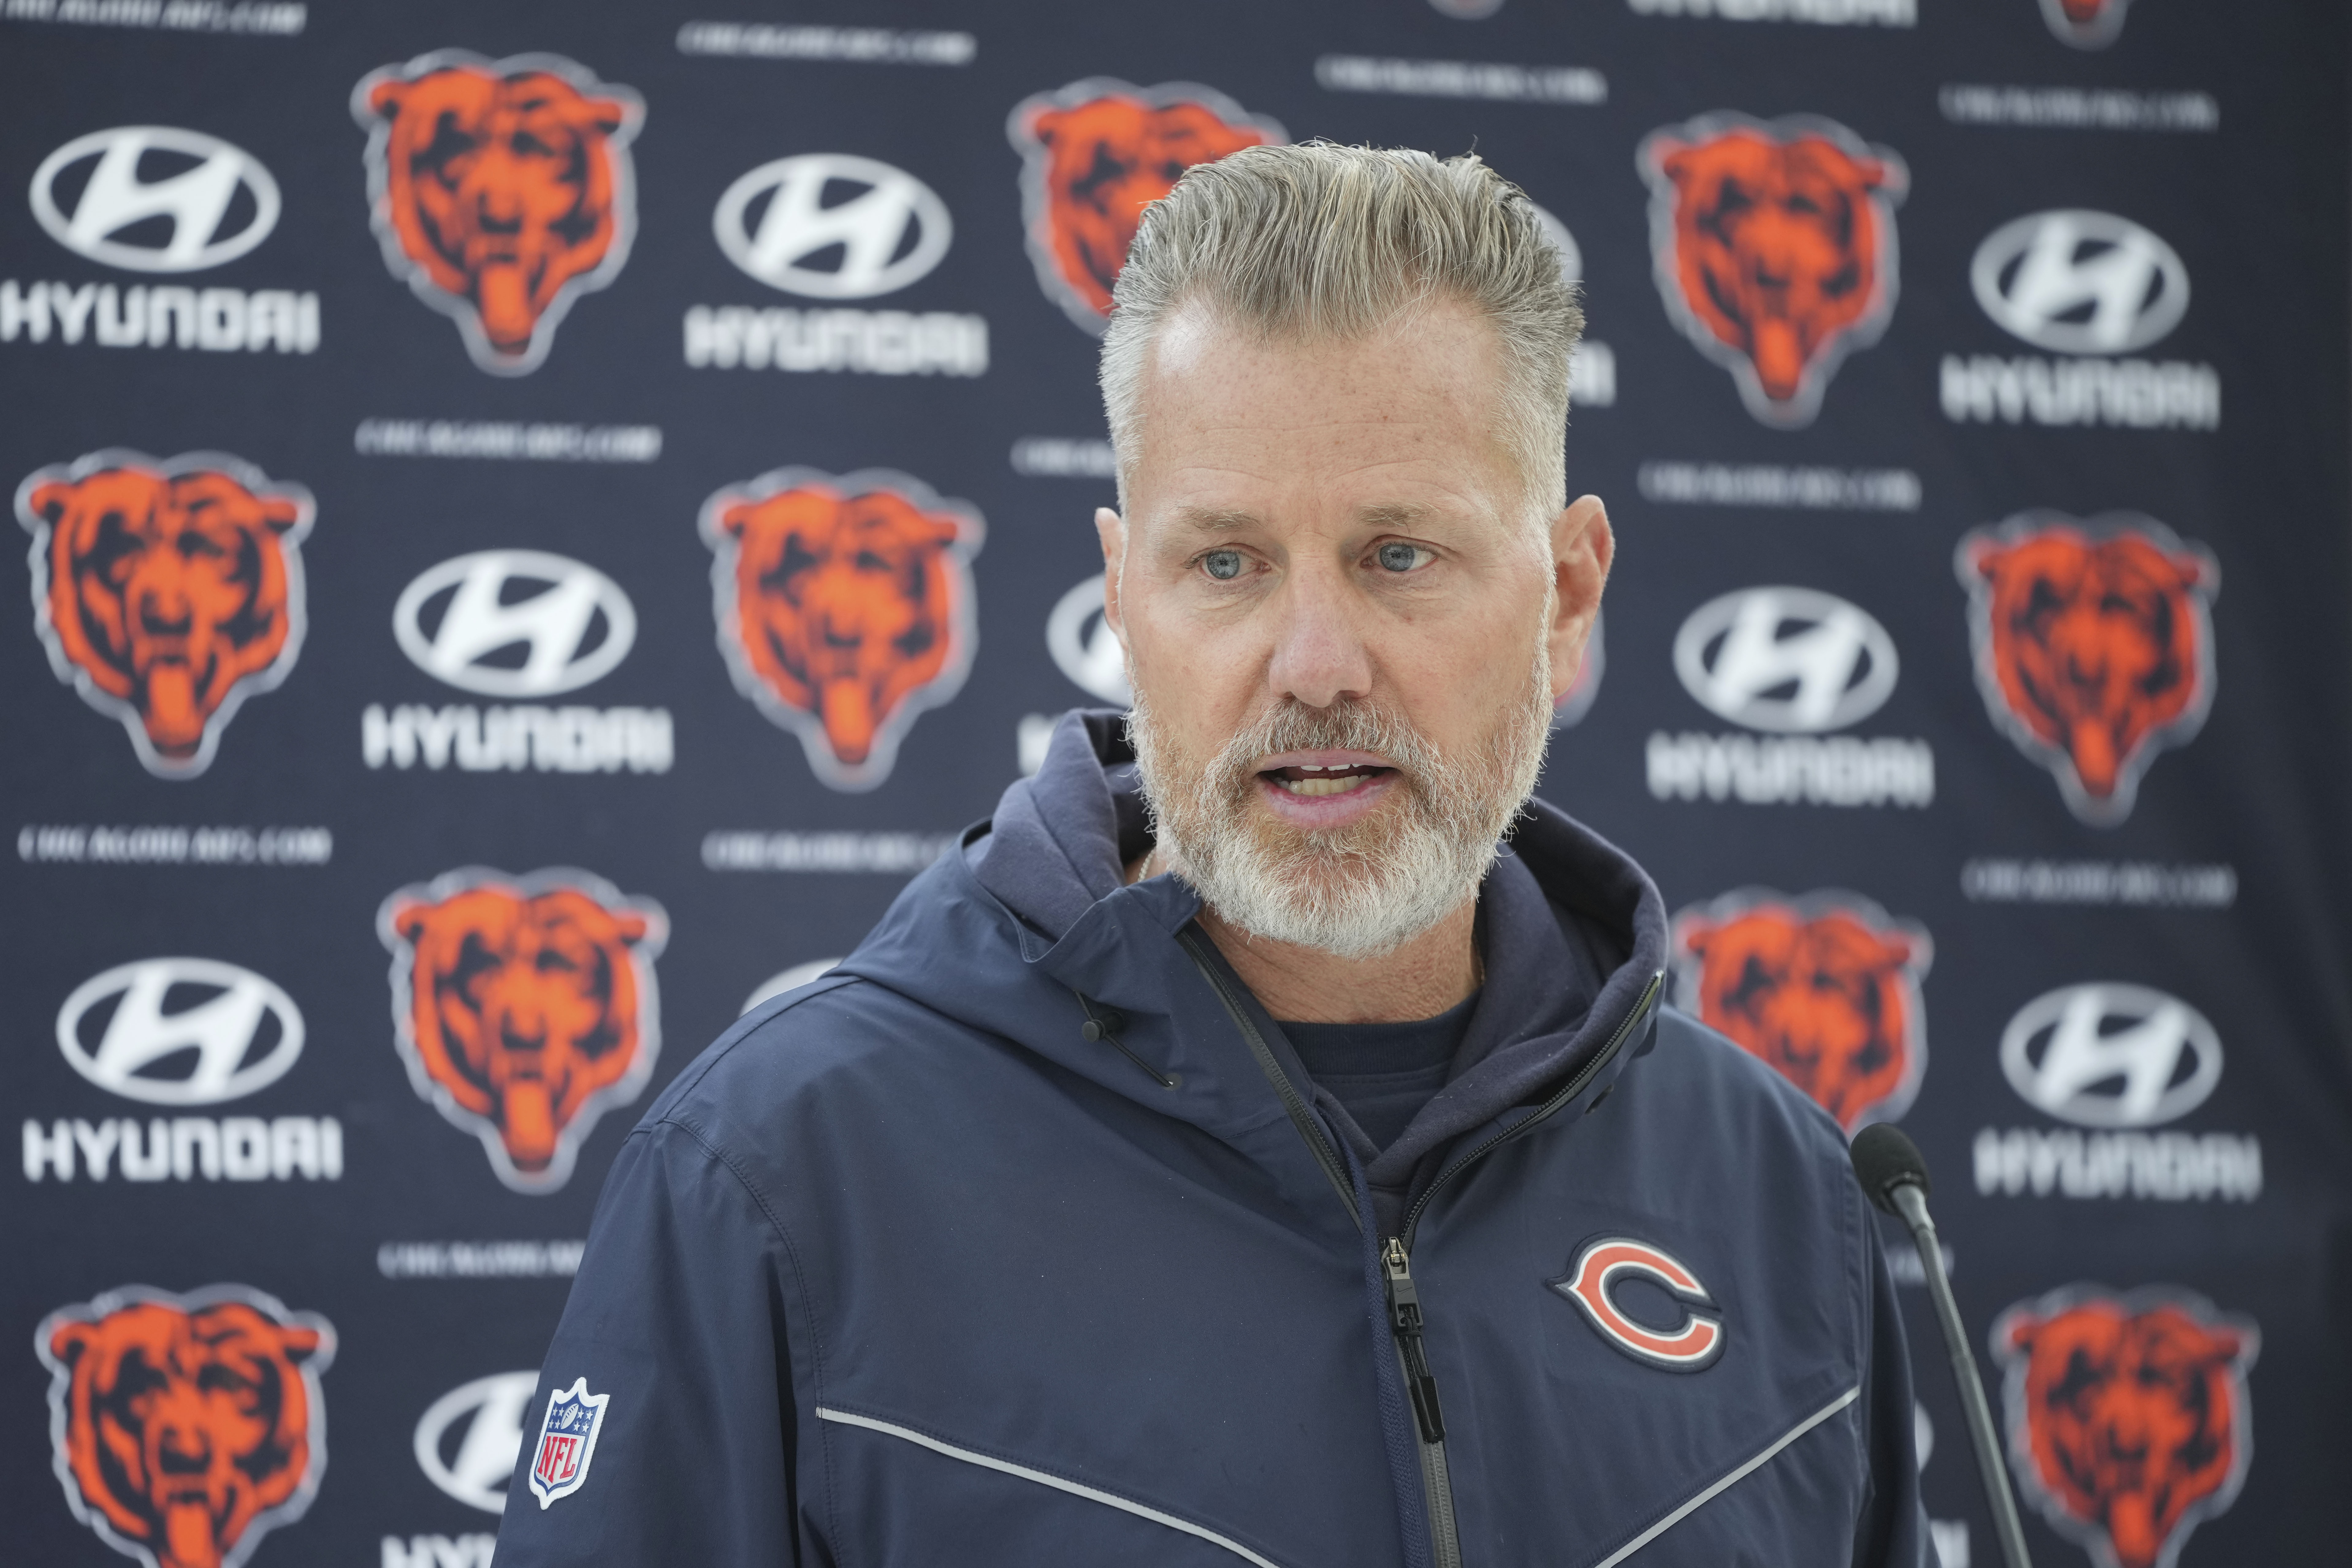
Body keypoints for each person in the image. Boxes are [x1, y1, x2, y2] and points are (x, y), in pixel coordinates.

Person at [494, 143, 1924, 1567]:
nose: (1313, 666)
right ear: (1124, 595)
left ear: (1566, 593)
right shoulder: (777, 1180)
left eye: (1398, 555)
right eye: (1225, 564)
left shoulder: (1786, 1207)